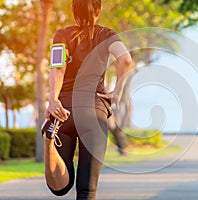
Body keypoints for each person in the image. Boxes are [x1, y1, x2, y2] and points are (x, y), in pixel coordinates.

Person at [41, 0, 132, 199]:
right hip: (93, 112)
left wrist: (53, 100)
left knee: (60, 187)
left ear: (73, 9)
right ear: (98, 10)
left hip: (63, 112)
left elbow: (58, 67)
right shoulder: (107, 35)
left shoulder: (61, 35)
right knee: (86, 191)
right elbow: (126, 60)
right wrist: (117, 91)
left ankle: (49, 143)